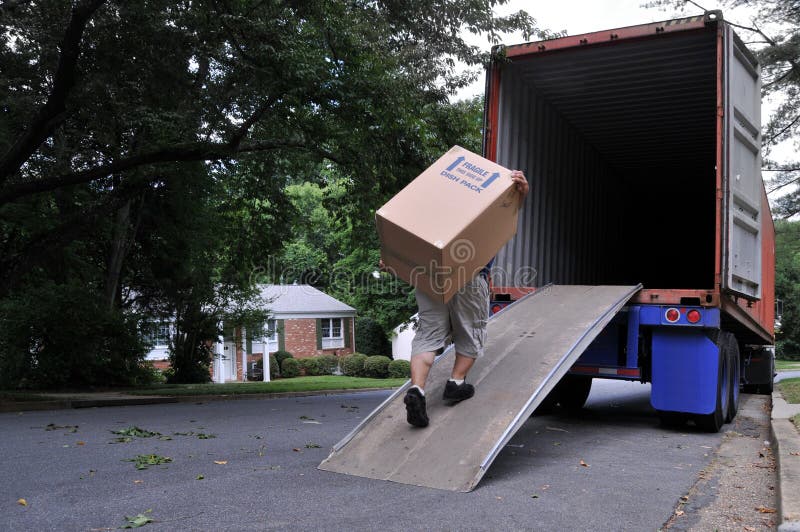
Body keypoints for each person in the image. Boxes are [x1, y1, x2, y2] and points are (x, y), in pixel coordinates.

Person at [402, 170, 529, 427]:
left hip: (427, 274)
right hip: (469, 275)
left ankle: (417, 389)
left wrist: (395, 259)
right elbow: (505, 216)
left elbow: (403, 240)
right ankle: (456, 383)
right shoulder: (478, 213)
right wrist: (521, 194)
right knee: (471, 332)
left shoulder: (427, 211)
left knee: (427, 335)